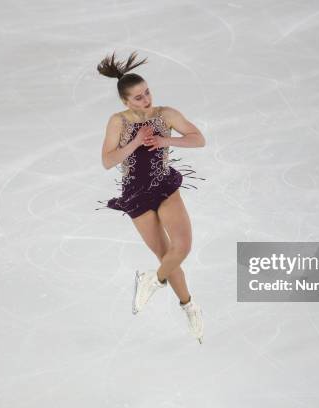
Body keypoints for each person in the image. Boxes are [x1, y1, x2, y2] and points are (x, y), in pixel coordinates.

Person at [95, 51, 206, 344]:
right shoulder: (118, 121)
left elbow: (198, 138)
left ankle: (152, 280)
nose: (146, 101)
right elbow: (107, 161)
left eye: (147, 93)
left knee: (181, 248)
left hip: (163, 185)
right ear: (125, 102)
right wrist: (134, 142)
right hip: (135, 193)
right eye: (139, 98)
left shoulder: (165, 114)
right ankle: (189, 306)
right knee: (165, 254)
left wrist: (164, 139)